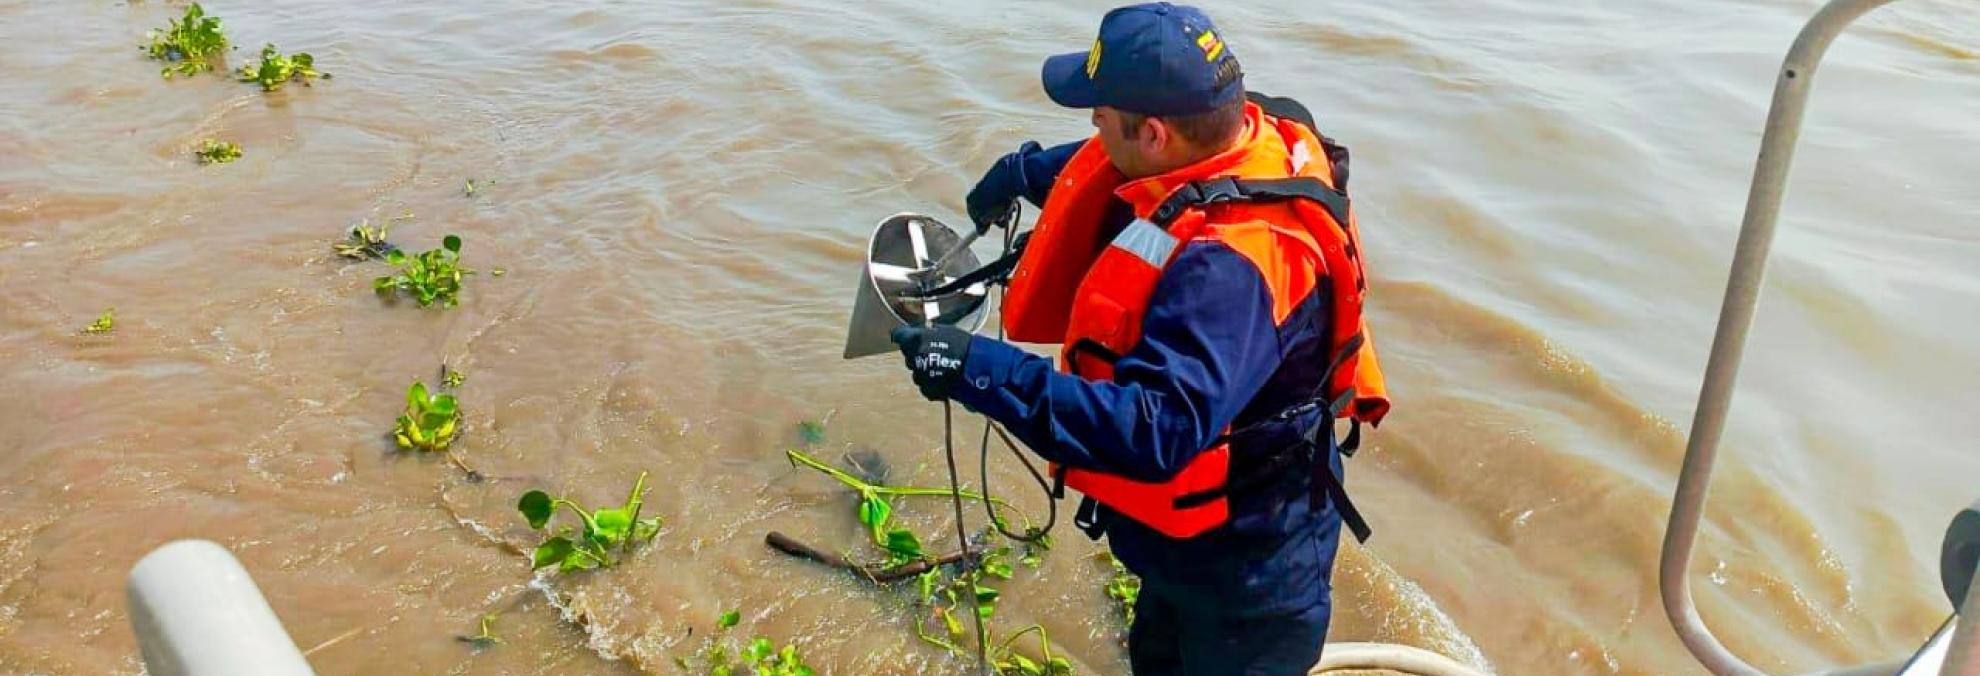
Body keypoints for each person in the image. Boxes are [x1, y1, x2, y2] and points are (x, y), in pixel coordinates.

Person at [889, 3, 1391, 674]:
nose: (1092, 125)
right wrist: (1027, 172)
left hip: (1247, 578)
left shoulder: (1230, 273)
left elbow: (1154, 432)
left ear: (1153, 133)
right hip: (1179, 551)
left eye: (1100, 114)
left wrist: (978, 367)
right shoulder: (1242, 128)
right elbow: (1118, 163)